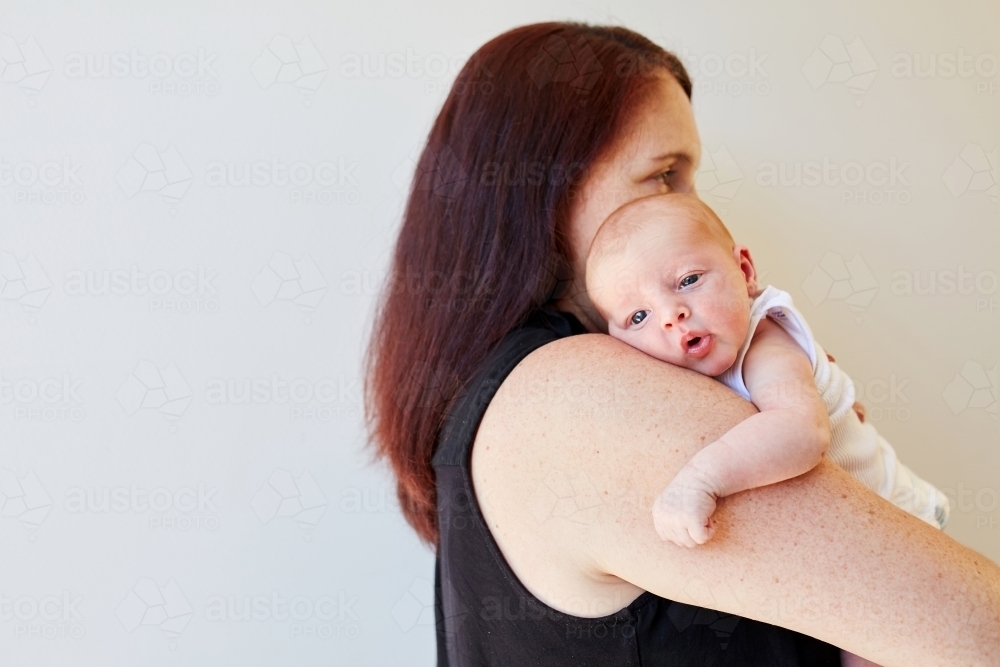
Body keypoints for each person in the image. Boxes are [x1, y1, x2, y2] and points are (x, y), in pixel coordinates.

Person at [365, 22, 1000, 666]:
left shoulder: (495, 401)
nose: (692, 206)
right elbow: (981, 635)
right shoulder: (578, 394)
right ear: (544, 186)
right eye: (666, 175)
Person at [584, 193, 951, 550]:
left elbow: (802, 430)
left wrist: (700, 479)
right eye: (638, 316)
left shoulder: (764, 345)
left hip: (902, 519)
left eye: (688, 280)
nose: (670, 315)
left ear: (744, 272)